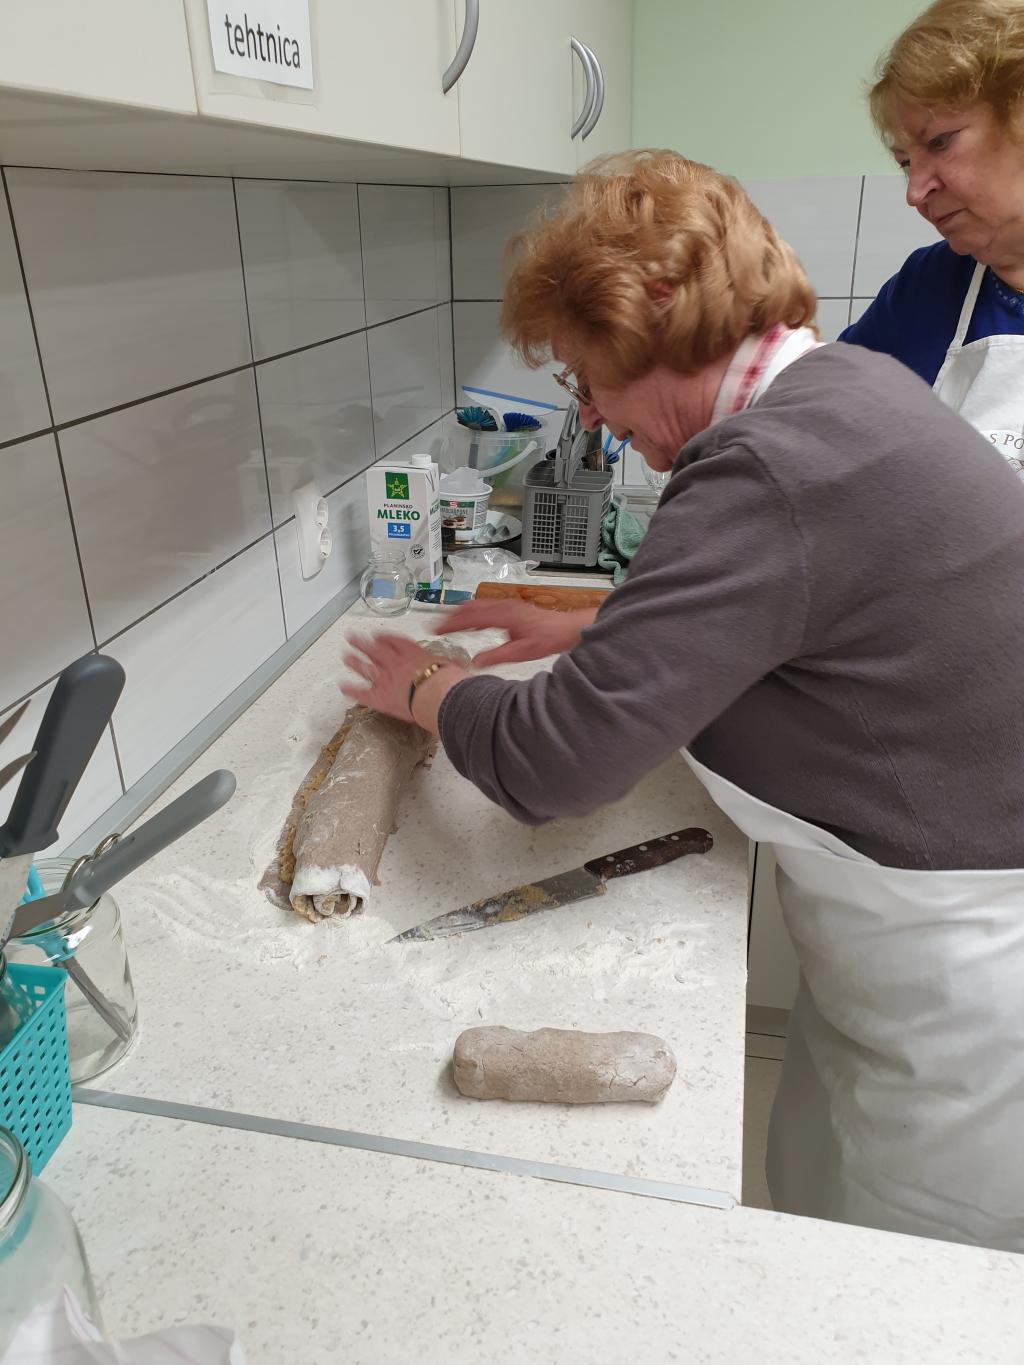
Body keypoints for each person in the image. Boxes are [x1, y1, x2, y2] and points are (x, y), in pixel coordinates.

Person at [343, 151, 1024, 1252]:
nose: (595, 418)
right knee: (822, 1190)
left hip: (970, 971)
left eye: (588, 378)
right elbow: (803, 601)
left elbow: (555, 765)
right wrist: (597, 627)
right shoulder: (840, 391)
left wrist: (428, 688)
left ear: (649, 321)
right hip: (930, 916)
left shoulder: (768, 464)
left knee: (896, 1270)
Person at [842, 0, 1024, 476]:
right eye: (906, 163)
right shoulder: (927, 285)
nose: (915, 192)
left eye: (940, 141)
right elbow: (819, 419)